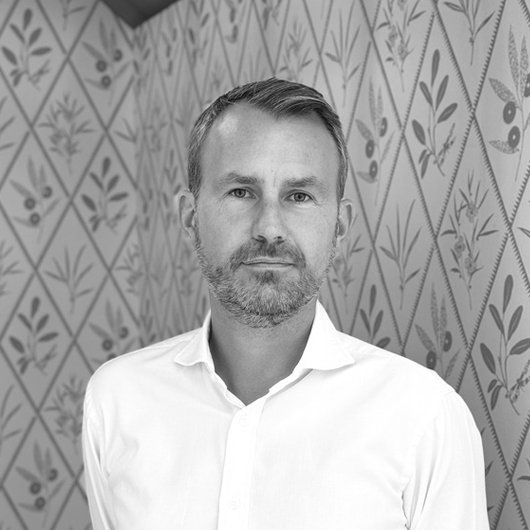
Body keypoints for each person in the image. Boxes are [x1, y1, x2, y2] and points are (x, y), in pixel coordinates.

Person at [82, 78, 489, 529]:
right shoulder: (117, 399)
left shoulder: (425, 417)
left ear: (339, 225)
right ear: (190, 217)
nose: (270, 228)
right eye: (241, 191)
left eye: (299, 196)